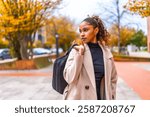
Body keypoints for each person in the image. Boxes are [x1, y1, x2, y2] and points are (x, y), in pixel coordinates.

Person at [63, 15, 118, 100]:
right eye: (80, 31)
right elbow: (69, 78)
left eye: (85, 30)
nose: (82, 34)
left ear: (96, 30)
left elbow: (113, 78)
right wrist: (79, 55)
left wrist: (111, 95)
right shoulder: (76, 50)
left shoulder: (106, 52)